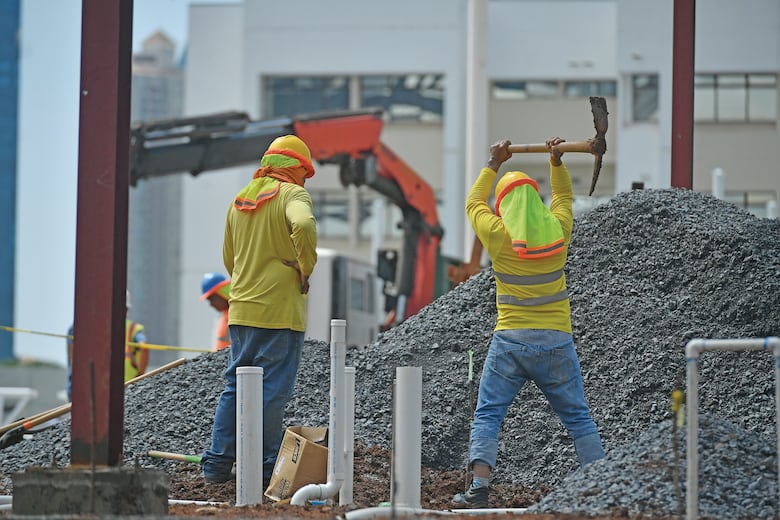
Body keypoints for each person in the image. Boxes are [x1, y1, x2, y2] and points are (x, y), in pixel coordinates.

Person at [453, 138, 605, 507]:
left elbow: (473, 203)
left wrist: (493, 163)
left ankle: (478, 490)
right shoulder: (558, 232)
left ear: (504, 206)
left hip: (510, 342)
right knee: (578, 416)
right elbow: (565, 201)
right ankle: (603, 485)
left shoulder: (497, 236)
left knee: (489, 413)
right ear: (534, 202)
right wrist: (556, 163)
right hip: (556, 341)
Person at [201, 134, 318, 485]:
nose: (304, 180)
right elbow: (304, 224)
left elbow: (229, 256)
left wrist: (247, 280)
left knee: (234, 387)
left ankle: (216, 466)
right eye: (304, 173)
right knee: (272, 391)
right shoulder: (293, 195)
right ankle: (267, 468)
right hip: (279, 312)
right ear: (295, 168)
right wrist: (304, 266)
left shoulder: (239, 200)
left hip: (242, 310)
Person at [66, 290, 148, 401]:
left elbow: (73, 359)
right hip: (124, 387)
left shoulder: (85, 326)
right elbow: (144, 346)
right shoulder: (132, 328)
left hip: (97, 386)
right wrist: (140, 376)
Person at [200, 272, 231, 351]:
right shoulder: (224, 315)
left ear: (221, 292)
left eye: (211, 299)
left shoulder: (238, 314)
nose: (211, 304)